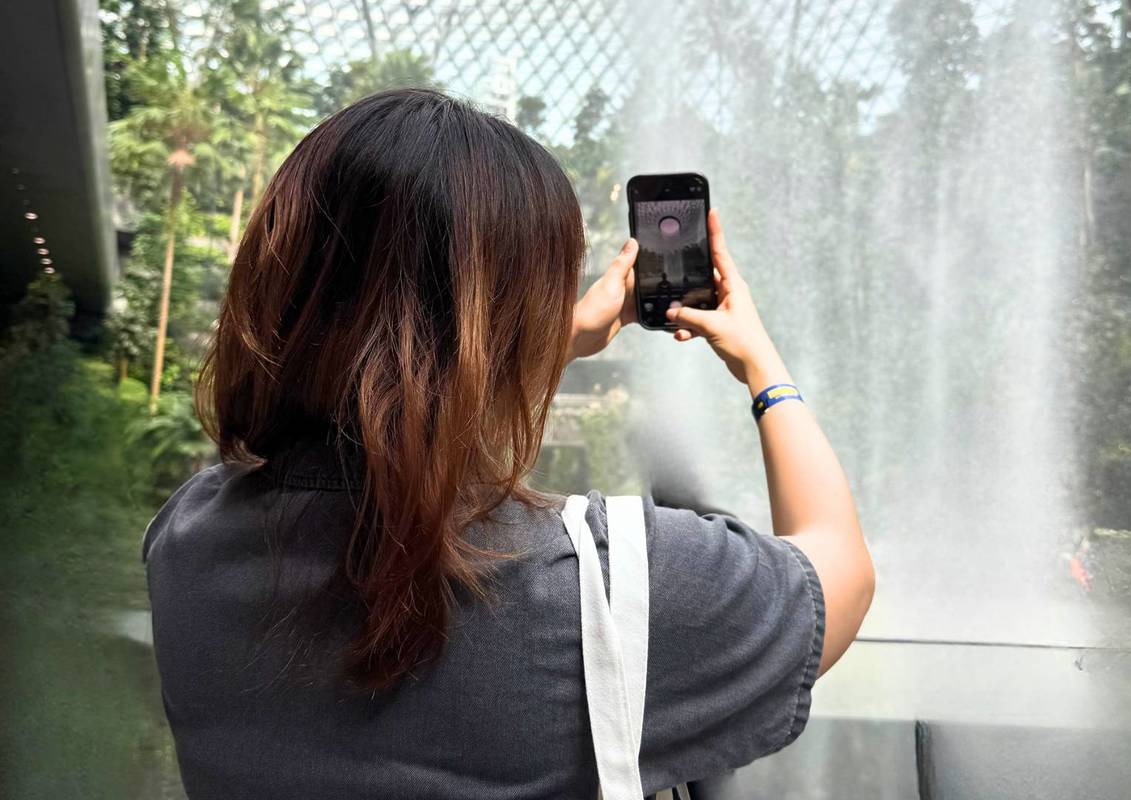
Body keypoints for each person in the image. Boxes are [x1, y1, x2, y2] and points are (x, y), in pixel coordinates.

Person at [142, 89, 874, 800]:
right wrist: (760, 364)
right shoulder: (604, 587)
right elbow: (840, 568)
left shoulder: (188, 540)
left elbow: (384, 384)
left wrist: (526, 346)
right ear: (522, 313)